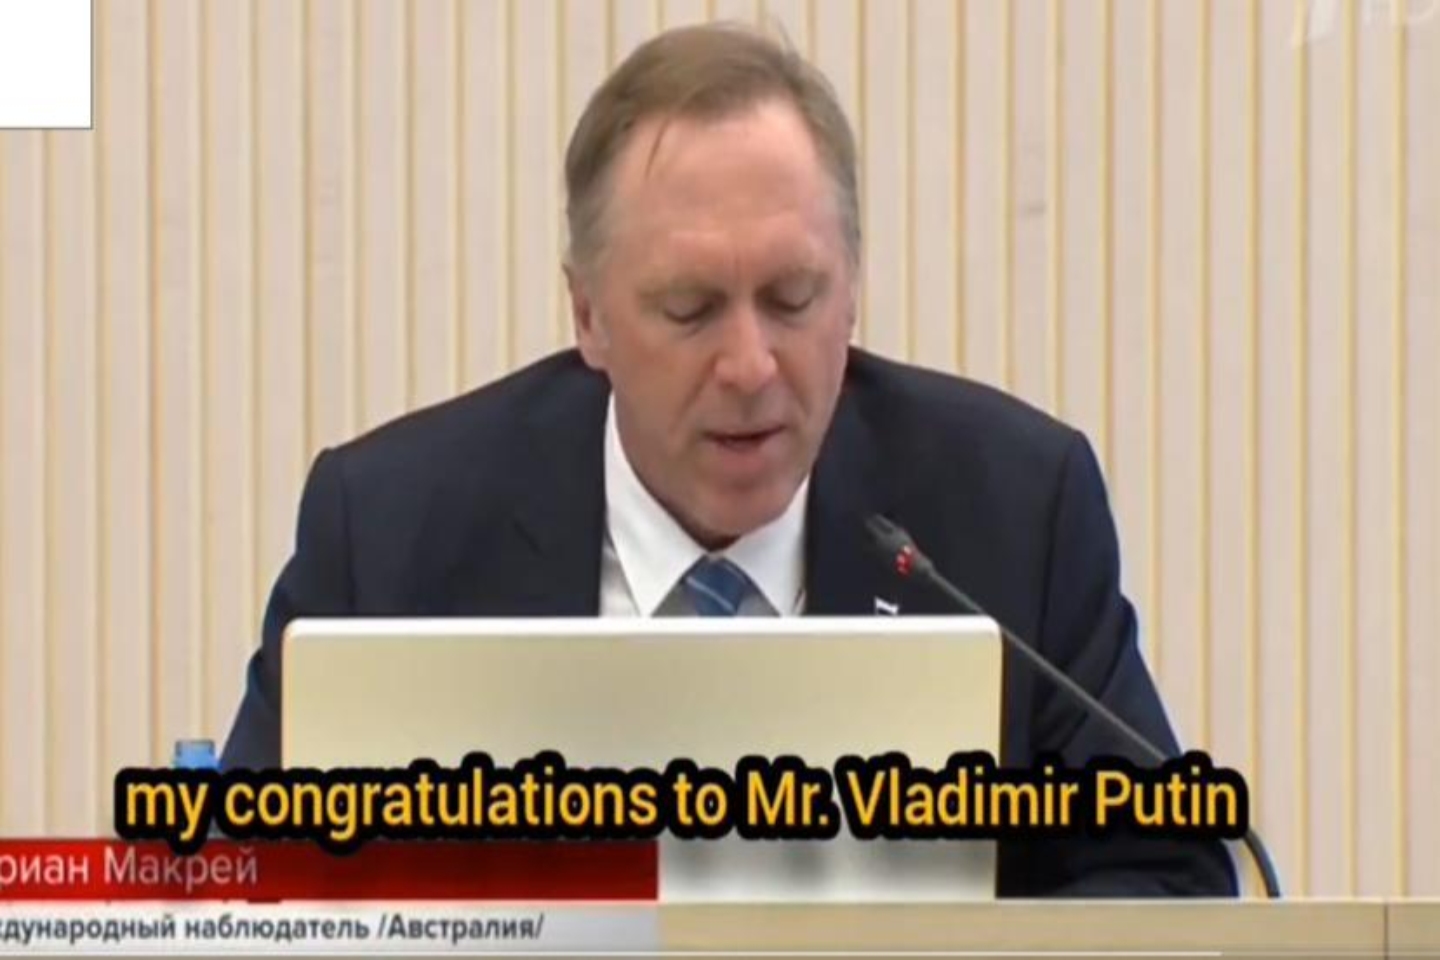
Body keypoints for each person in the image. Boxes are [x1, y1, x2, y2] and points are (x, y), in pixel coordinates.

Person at [221, 22, 1237, 898]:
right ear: (588, 315)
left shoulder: (1012, 511)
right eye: (689, 309)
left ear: (852, 289)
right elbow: (237, 892)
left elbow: (1162, 880)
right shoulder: (389, 532)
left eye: (793, 300)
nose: (751, 366)